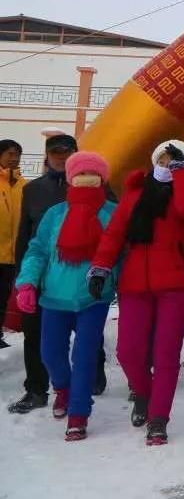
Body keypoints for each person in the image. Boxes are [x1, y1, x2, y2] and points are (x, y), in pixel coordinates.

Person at [89, 140, 184, 445]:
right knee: (128, 351)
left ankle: (158, 418)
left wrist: (182, 174)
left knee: (166, 354)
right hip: (135, 281)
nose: (167, 163)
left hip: (177, 282)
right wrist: (101, 266)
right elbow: (115, 232)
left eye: (175, 159)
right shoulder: (136, 192)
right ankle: (143, 392)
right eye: (164, 158)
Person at [13, 152, 117, 441]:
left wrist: (109, 279)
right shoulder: (55, 214)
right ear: (70, 179)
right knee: (50, 354)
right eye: (80, 174)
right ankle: (63, 389)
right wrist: (27, 284)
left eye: (92, 175)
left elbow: (118, 254)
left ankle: (78, 413)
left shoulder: (111, 213)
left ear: (101, 180)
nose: (85, 180)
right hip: (54, 297)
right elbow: (38, 251)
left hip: (93, 298)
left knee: (83, 356)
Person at [0, 139, 26, 351]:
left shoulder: (23, 185)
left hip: (12, 255)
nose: (14, 158)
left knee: (3, 296)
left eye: (17, 154)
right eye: (9, 153)